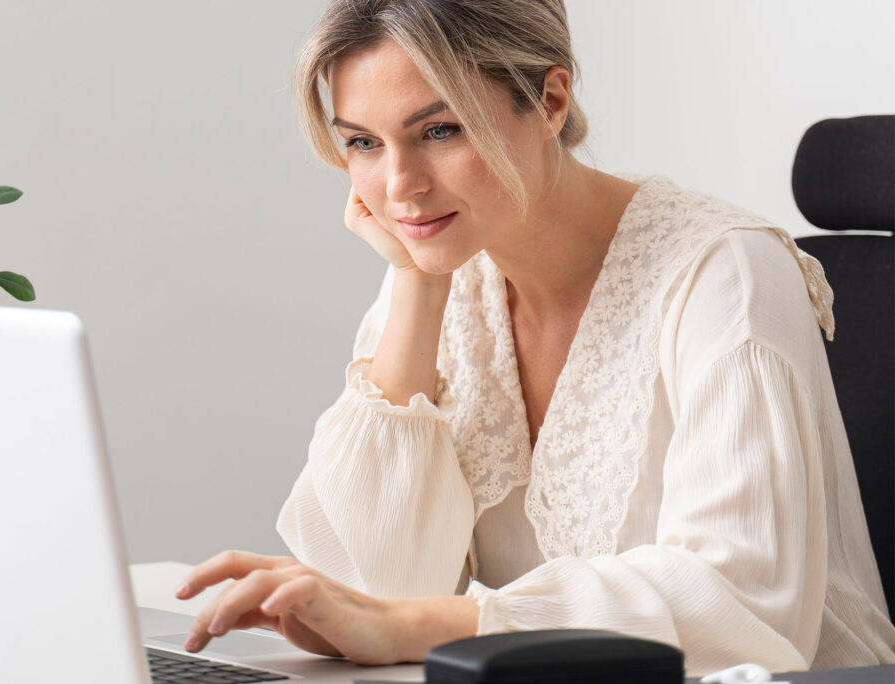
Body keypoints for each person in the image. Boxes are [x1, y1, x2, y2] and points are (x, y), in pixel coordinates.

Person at [174, 0, 895, 675]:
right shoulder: (445, 260)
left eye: (439, 130)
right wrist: (418, 285)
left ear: (550, 102)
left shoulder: (725, 271)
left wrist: (417, 625)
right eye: (363, 143)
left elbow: (741, 605)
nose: (399, 188)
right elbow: (370, 587)